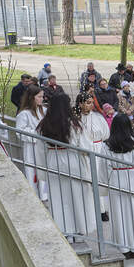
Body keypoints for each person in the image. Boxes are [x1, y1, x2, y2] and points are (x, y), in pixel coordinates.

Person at [35, 93, 95, 239]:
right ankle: (79, 229)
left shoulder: (43, 126)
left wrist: (42, 171)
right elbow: (86, 147)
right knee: (77, 196)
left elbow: (40, 150)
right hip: (73, 160)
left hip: (53, 161)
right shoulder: (75, 125)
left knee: (58, 198)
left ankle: (63, 230)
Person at [97, 115, 134, 259]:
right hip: (133, 179)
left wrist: (105, 183)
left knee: (119, 214)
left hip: (116, 180)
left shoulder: (106, 146)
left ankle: (123, 246)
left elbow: (103, 167)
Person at [15, 84, 47, 199]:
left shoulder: (44, 110)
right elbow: (20, 131)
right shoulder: (24, 114)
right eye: (39, 97)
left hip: (43, 147)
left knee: (44, 169)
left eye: (42, 96)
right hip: (32, 147)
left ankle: (44, 194)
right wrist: (37, 133)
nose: (42, 99)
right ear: (32, 98)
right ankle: (34, 195)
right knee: (32, 171)